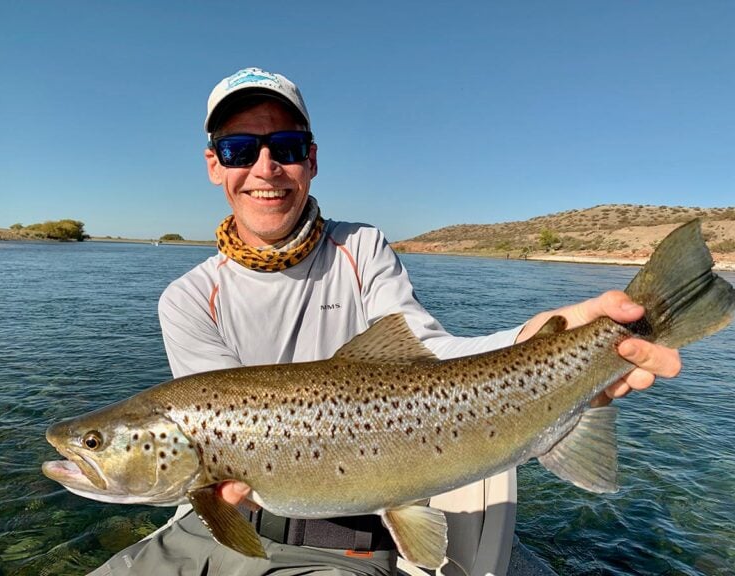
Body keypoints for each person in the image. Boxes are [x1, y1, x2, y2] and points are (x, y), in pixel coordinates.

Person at [88, 67, 681, 576]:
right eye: (242, 150)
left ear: (311, 161)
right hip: (216, 524)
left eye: (287, 147)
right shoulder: (188, 297)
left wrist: (544, 337)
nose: (266, 168)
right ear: (215, 165)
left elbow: (432, 353)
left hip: (349, 544)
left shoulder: (362, 248)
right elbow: (218, 444)